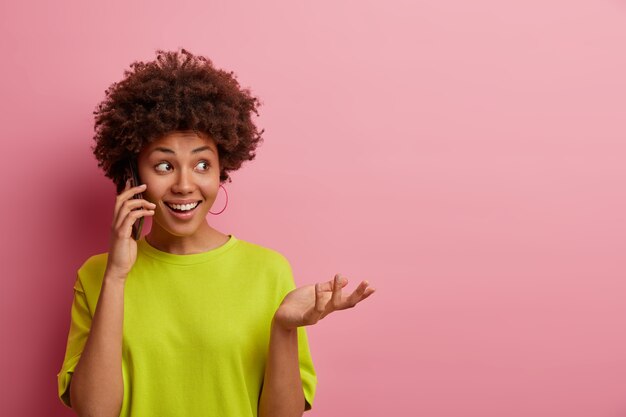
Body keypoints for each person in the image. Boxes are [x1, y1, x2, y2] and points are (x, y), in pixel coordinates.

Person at [56, 48, 376, 417]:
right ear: (133, 175)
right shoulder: (98, 275)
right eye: (163, 165)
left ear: (222, 169)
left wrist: (284, 329)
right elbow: (94, 412)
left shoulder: (267, 270)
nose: (184, 184)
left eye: (202, 164)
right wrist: (116, 277)